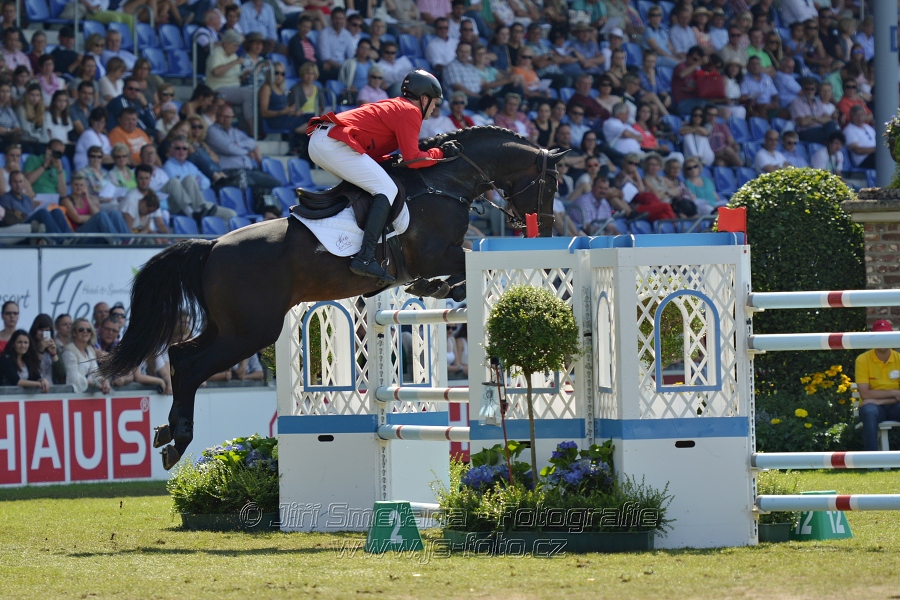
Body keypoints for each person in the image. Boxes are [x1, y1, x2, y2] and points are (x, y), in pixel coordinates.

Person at [305, 70, 456, 282]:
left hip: (324, 140)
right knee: (387, 189)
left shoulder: (398, 106)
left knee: (375, 185)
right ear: (424, 99)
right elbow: (413, 159)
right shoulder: (410, 111)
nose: (433, 109)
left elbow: (387, 153)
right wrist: (440, 154)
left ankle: (351, 241)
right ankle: (365, 257)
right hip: (332, 142)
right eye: (434, 103)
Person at [205, 104, 283, 197]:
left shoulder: (234, 131)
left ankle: (268, 210)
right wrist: (246, 151)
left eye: (229, 117)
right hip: (231, 172)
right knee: (262, 186)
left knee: (276, 183)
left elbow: (252, 142)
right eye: (224, 116)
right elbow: (229, 149)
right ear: (217, 115)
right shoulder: (212, 131)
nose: (226, 119)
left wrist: (238, 145)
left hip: (248, 170)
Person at [162, 137, 235, 222]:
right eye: (178, 148)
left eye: (184, 148)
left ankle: (200, 210)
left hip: (197, 202)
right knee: (189, 179)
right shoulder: (168, 166)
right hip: (179, 205)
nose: (181, 151)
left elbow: (206, 182)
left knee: (230, 214)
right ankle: (195, 212)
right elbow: (177, 187)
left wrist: (195, 183)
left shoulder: (190, 165)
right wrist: (194, 182)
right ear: (171, 150)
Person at [855, 319, 900, 452]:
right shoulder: (862, 360)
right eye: (879, 336)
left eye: (885, 336)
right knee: (868, 412)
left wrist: (876, 400)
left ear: (891, 337)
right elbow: (865, 394)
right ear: (873, 337)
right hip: (873, 408)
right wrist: (894, 393)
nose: (882, 340)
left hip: (891, 405)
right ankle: (872, 462)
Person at [206, 30, 255, 131]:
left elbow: (237, 77)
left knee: (255, 92)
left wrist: (244, 75)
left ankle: (254, 127)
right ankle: (253, 129)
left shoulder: (234, 56)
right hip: (218, 89)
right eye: (235, 46)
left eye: (238, 46)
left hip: (234, 87)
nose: (236, 49)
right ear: (226, 43)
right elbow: (216, 72)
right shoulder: (216, 53)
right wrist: (235, 62)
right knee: (249, 94)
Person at [0, 170, 72, 234]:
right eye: (15, 182)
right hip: (21, 225)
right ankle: (60, 240)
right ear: (10, 183)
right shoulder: (5, 198)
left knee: (57, 211)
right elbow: (8, 218)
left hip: (32, 222)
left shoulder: (27, 198)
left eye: (20, 181)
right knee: (42, 213)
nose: (18, 185)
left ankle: (70, 238)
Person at [60, 172, 131, 237]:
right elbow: (78, 219)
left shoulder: (87, 198)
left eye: (81, 185)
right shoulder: (67, 200)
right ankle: (116, 242)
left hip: (93, 229)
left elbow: (97, 214)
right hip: (79, 232)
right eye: (76, 185)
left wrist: (87, 198)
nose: (79, 187)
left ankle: (128, 240)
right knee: (101, 215)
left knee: (114, 213)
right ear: (71, 185)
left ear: (85, 186)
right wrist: (94, 217)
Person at [62, 318, 110, 394]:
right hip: (72, 396)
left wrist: (104, 381)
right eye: (81, 329)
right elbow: (73, 379)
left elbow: (95, 372)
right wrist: (94, 383)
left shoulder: (90, 350)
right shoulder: (69, 351)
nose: (85, 331)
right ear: (74, 333)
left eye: (88, 330)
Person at [843, 105, 875, 170]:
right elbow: (857, 150)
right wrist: (878, 150)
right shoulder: (849, 130)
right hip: (863, 161)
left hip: (874, 155)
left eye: (861, 115)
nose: (860, 117)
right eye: (856, 115)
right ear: (851, 116)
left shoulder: (868, 127)